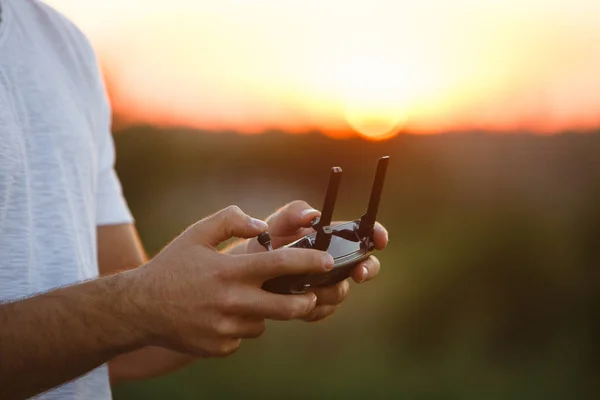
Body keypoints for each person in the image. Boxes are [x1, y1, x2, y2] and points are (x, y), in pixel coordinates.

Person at [0, 0, 388, 399]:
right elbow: (129, 309)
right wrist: (141, 305)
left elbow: (125, 345)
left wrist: (254, 268)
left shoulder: (62, 47)